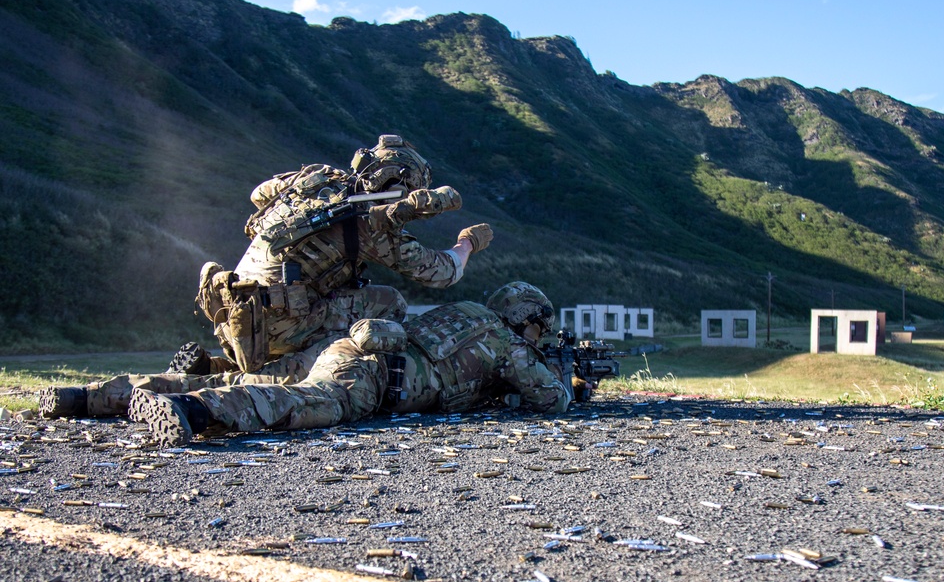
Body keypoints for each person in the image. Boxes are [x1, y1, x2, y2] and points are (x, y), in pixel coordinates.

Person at [39, 283, 571, 447]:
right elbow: (552, 399)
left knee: (242, 374)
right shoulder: (507, 343)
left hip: (347, 349)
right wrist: (570, 381)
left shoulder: (467, 315)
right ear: (527, 320)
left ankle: (87, 396)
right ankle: (191, 412)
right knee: (301, 403)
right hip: (369, 380)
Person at [179, 133, 493, 376]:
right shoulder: (368, 224)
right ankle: (291, 375)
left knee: (335, 292)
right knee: (390, 303)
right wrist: (467, 242)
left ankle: (214, 368)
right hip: (275, 325)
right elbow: (442, 272)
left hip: (232, 315)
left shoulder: (315, 180)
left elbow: (258, 193)